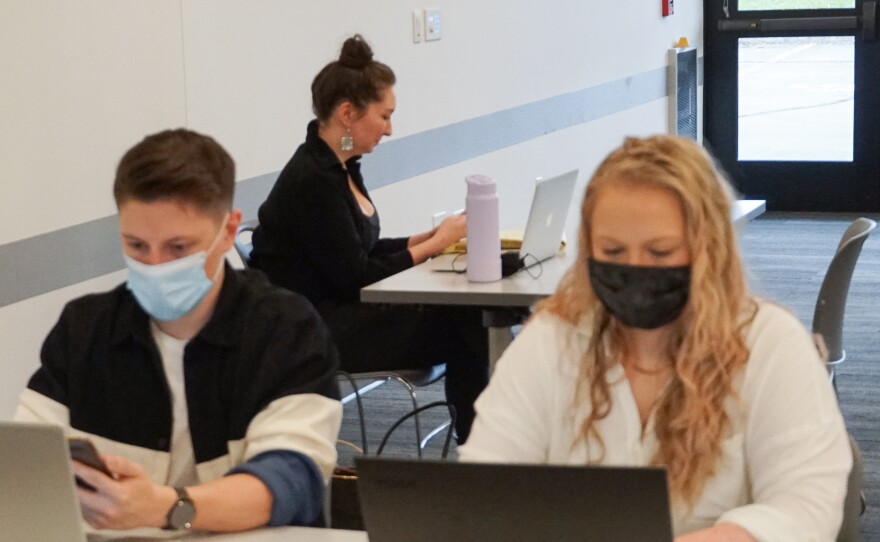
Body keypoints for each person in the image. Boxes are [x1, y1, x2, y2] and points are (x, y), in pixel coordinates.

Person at [458, 135, 852, 540]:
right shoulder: (553, 339)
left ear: (708, 250)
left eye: (660, 253)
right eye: (612, 251)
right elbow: (487, 489)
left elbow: (807, 507)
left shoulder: (769, 343)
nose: (635, 269)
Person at [15, 129, 342, 533]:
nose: (155, 265)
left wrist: (167, 507)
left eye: (178, 248)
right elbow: (26, 458)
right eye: (136, 246)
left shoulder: (285, 330)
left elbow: (289, 477)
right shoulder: (84, 329)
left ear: (227, 231)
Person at [250, 34, 488, 442]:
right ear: (347, 112)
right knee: (465, 320)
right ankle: (481, 447)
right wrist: (430, 247)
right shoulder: (313, 181)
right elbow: (356, 275)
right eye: (384, 116)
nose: (390, 129)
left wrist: (428, 237)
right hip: (315, 328)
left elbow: (357, 250)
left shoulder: (340, 166)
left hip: (338, 309)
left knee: (465, 315)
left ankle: (481, 443)